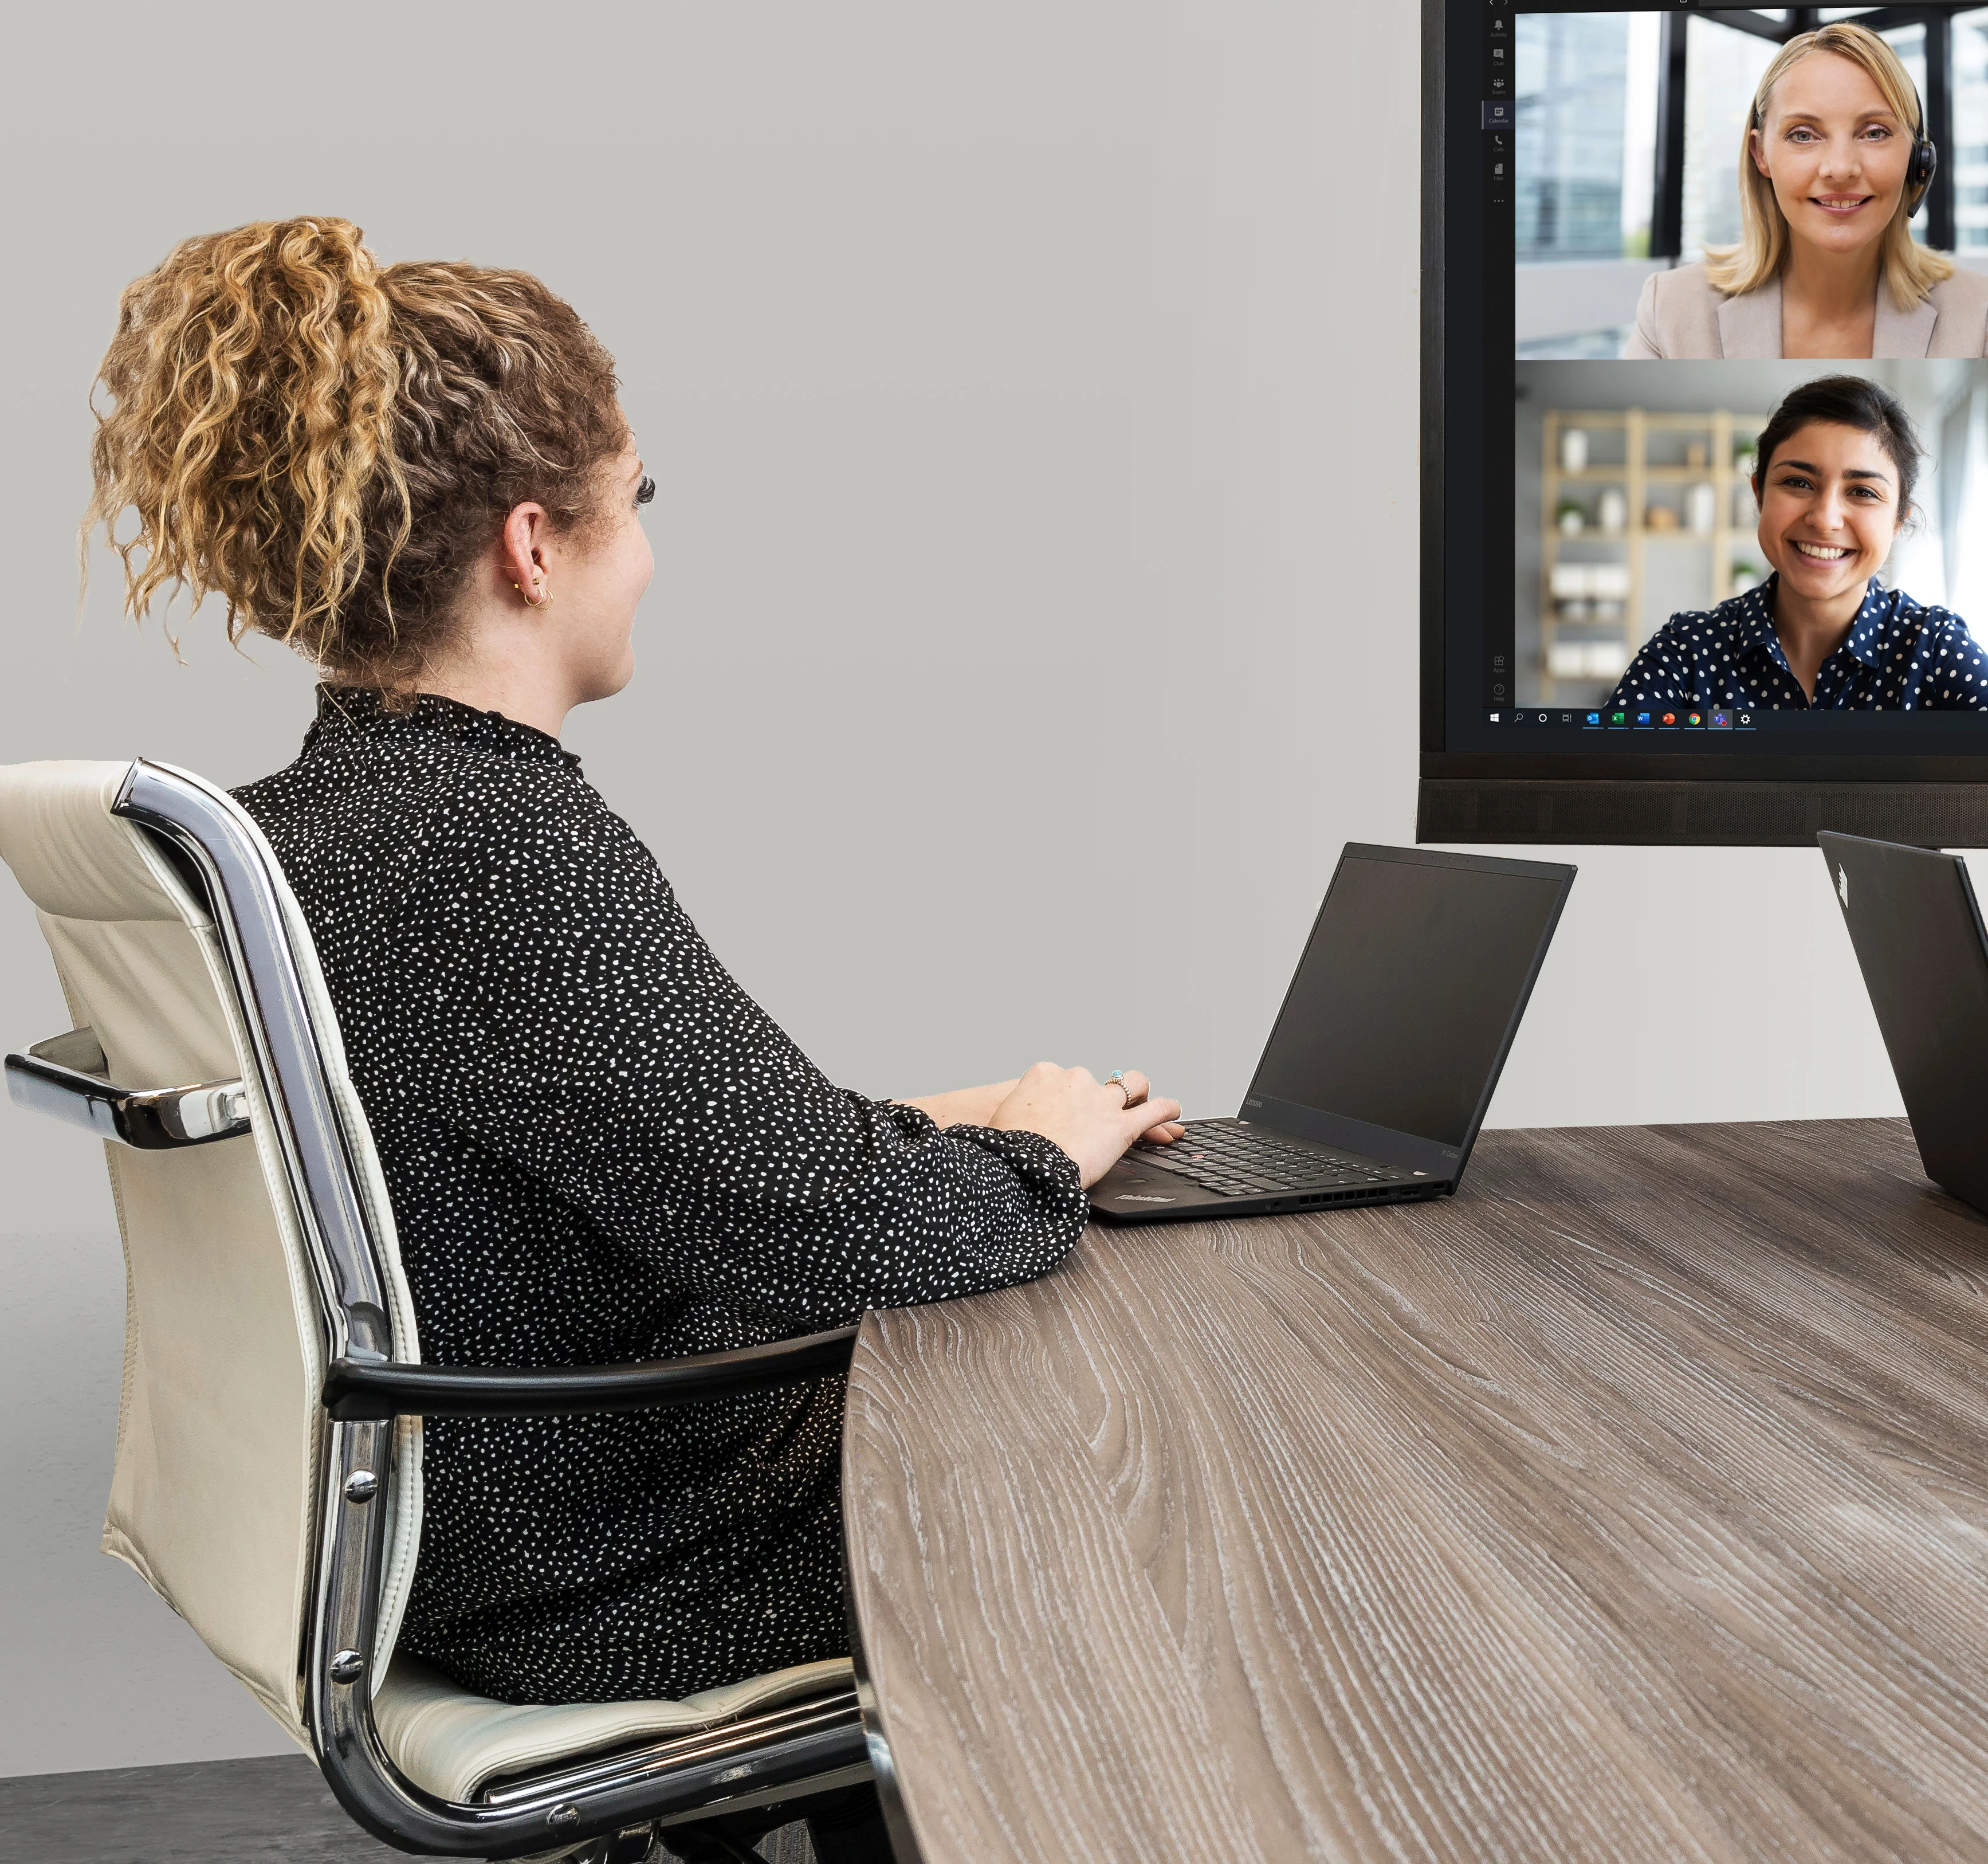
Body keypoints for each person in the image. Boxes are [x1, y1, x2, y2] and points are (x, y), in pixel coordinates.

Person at [80, 221, 1181, 1803]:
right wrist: (1048, 1158)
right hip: (619, 1571)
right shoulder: (496, 847)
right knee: (1160, 1425)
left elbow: (666, 1143)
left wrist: (974, 1117)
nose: (649, 550)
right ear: (532, 547)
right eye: (636, 497)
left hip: (461, 1538)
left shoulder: (311, 824)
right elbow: (839, 1235)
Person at [1605, 375, 1988, 713]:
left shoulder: (1933, 648)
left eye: (1862, 492)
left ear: (1898, 520)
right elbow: (1606, 781)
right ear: (1759, 494)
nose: (1825, 519)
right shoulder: (1687, 649)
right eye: (1798, 482)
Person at [1625, 24, 1988, 359]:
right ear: (1761, 155)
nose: (1840, 168)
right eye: (1803, 135)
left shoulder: (1984, 311)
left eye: (1874, 133)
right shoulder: (1670, 309)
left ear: (1918, 157)